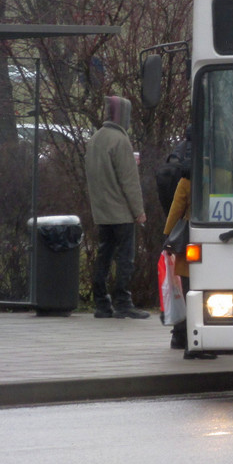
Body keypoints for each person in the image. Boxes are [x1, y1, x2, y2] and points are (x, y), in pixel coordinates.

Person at [85, 96, 149, 319]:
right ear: (123, 115)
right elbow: (129, 181)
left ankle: (102, 303)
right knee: (125, 258)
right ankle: (123, 302)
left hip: (102, 211)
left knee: (104, 255)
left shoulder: (95, 139)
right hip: (121, 211)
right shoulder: (120, 141)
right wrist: (138, 211)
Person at [163, 128, 215, 359]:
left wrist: (167, 238)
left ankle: (182, 338)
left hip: (189, 245)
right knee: (207, 294)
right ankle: (196, 345)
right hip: (215, 243)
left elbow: (176, 209)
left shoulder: (186, 176)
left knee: (189, 293)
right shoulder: (220, 172)